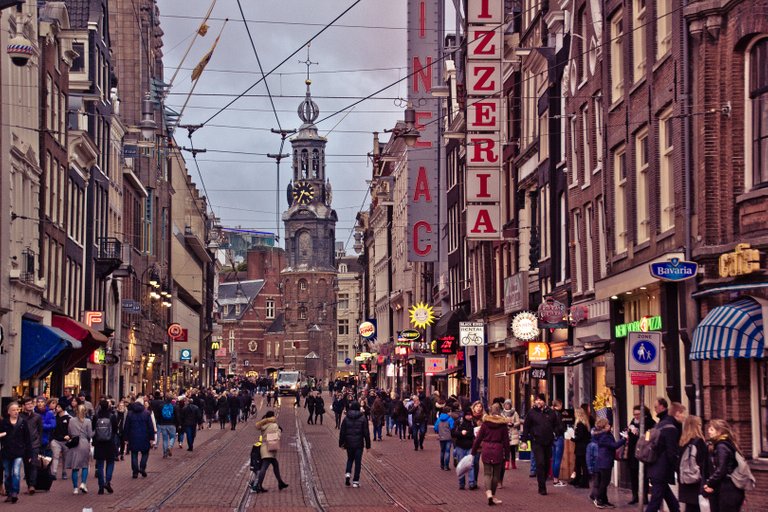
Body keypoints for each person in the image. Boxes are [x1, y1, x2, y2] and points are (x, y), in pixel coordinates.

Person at [645, 399, 684, 512]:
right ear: (677, 413)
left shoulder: (659, 425)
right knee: (655, 501)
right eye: (683, 414)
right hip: (661, 470)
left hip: (654, 467)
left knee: (669, 498)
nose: (684, 417)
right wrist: (678, 468)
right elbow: (671, 451)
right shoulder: (671, 428)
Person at [522, 393, 561, 496]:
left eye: (540, 400)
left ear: (544, 401)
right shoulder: (531, 413)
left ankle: (543, 478)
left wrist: (555, 433)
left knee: (547, 463)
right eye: (537, 400)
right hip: (536, 441)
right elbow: (526, 427)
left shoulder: (551, 412)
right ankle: (542, 487)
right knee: (540, 463)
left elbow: (557, 425)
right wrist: (524, 441)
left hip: (548, 442)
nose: (538, 402)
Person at [471, 403, 509, 506]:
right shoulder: (502, 425)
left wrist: (473, 451)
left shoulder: (485, 423)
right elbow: (506, 441)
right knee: (496, 474)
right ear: (500, 412)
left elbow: (478, 439)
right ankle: (493, 495)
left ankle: (488, 493)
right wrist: (508, 455)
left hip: (486, 448)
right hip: (498, 449)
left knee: (487, 473)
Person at [703, 419, 745, 512]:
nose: (708, 431)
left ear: (720, 431)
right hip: (732, 489)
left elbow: (721, 469)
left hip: (727, 491)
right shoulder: (729, 443)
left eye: (712, 429)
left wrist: (708, 483)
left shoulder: (721, 446)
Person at [590, 416, 626, 509]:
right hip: (605, 461)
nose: (609, 426)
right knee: (604, 482)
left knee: (604, 482)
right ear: (604, 426)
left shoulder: (604, 435)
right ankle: (598, 499)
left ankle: (604, 500)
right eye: (608, 425)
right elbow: (613, 445)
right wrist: (624, 439)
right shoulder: (604, 436)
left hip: (604, 460)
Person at [0, 402, 32, 503]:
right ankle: (9, 492)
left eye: (17, 410)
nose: (16, 412)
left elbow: (27, 439)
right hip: (6, 451)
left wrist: (29, 454)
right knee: (7, 474)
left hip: (19, 451)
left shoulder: (23, 422)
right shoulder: (3, 423)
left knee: (16, 472)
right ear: (9, 412)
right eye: (13, 410)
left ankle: (14, 492)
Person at [678, 415, 708, 512]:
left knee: (690, 507)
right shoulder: (699, 442)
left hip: (685, 479)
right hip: (696, 480)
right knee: (695, 507)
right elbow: (703, 462)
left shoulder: (682, 442)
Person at [253, 411, 289, 493]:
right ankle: (258, 485)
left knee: (275, 464)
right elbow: (277, 436)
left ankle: (280, 482)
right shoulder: (274, 425)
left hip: (264, 447)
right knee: (264, 467)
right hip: (270, 447)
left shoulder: (264, 425)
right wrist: (279, 430)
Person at [627, 405, 656, 504]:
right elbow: (630, 436)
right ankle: (635, 496)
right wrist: (629, 431)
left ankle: (644, 497)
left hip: (644, 453)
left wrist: (639, 433)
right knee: (633, 476)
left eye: (638, 414)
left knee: (644, 476)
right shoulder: (633, 421)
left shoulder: (650, 423)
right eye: (634, 414)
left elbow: (649, 437)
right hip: (633, 453)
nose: (636, 416)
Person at [339, 402, 370, 488]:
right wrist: (368, 445)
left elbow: (342, 432)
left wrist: (341, 443)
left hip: (349, 443)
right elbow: (366, 433)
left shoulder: (346, 418)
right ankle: (355, 481)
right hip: (359, 444)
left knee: (350, 459)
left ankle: (348, 474)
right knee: (358, 462)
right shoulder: (363, 418)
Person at [123, 399, 156, 479]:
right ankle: (142, 467)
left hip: (133, 436)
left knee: (134, 454)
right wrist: (152, 438)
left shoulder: (130, 414)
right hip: (145, 436)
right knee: (145, 453)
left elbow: (126, 427)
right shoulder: (146, 413)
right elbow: (150, 426)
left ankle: (135, 471)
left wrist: (126, 438)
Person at [65, 404, 93, 494]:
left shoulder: (71, 421)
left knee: (75, 466)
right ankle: (83, 483)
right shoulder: (88, 421)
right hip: (84, 443)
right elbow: (90, 435)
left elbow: (69, 432)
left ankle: (75, 488)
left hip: (74, 443)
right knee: (84, 465)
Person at [92, 400, 118, 495]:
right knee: (110, 462)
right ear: (108, 406)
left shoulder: (96, 416)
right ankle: (107, 481)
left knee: (100, 465)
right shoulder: (112, 416)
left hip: (99, 443)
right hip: (109, 442)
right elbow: (115, 430)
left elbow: (93, 429)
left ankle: (101, 486)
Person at [19, 397, 42, 495]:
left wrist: (38, 441)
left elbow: (40, 430)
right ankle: (29, 485)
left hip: (34, 444)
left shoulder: (37, 417)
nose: (30, 405)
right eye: (27, 404)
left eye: (31, 403)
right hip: (23, 445)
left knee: (33, 464)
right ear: (23, 406)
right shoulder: (20, 417)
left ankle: (32, 485)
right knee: (26, 465)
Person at [453, 408, 477, 490]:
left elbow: (474, 434)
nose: (470, 417)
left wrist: (467, 434)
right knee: (461, 465)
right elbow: (453, 433)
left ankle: (471, 483)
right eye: (468, 415)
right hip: (460, 446)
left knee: (471, 464)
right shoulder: (459, 422)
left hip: (470, 446)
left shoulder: (473, 423)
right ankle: (461, 483)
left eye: (471, 415)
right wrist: (461, 433)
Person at [570, 406, 592, 489]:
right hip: (583, 447)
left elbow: (579, 437)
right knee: (579, 464)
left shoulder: (580, 424)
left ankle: (584, 482)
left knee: (582, 464)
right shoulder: (585, 424)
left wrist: (572, 438)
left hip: (581, 447)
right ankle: (578, 480)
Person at [50, 402, 70, 480]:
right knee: (55, 456)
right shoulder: (54, 417)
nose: (56, 408)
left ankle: (64, 472)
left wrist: (69, 436)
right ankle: (54, 473)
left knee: (65, 457)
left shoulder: (68, 418)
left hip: (65, 440)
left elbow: (70, 428)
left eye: (58, 407)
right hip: (56, 440)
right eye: (56, 407)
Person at [551, 399, 567, 487]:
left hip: (553, 438)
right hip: (559, 437)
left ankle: (554, 478)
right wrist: (564, 429)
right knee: (558, 459)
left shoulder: (551, 414)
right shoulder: (558, 415)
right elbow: (561, 427)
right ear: (559, 404)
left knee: (554, 459)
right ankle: (556, 479)